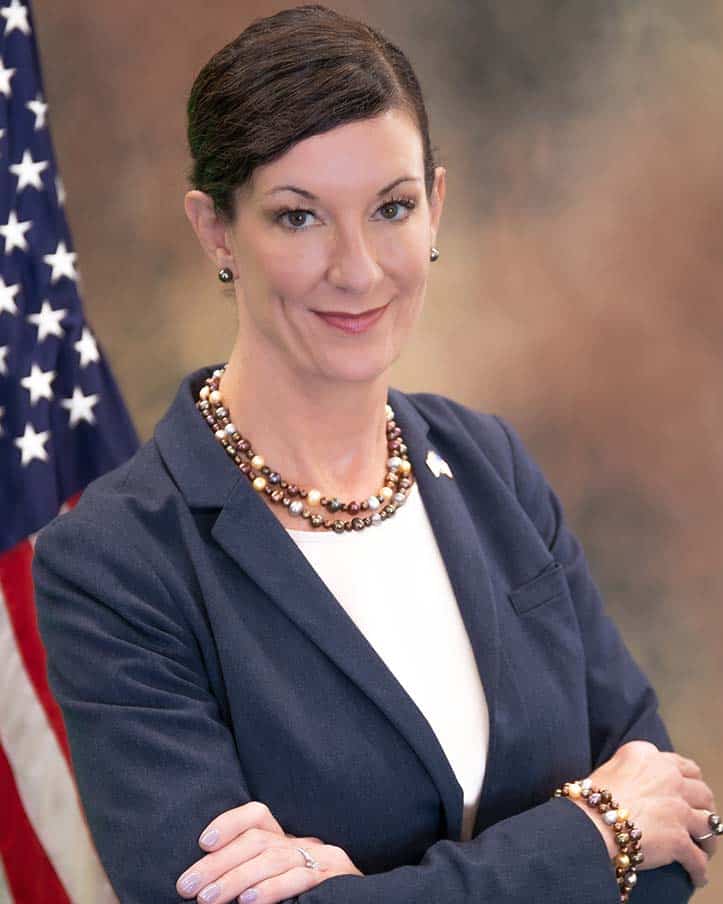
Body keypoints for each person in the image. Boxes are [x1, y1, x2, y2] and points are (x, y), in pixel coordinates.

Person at [31, 5, 719, 904]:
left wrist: (368, 890)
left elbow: (676, 839)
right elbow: (629, 832)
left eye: (390, 208)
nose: (356, 269)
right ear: (215, 231)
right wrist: (594, 835)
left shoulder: (489, 465)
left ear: (436, 204)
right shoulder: (116, 562)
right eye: (298, 217)